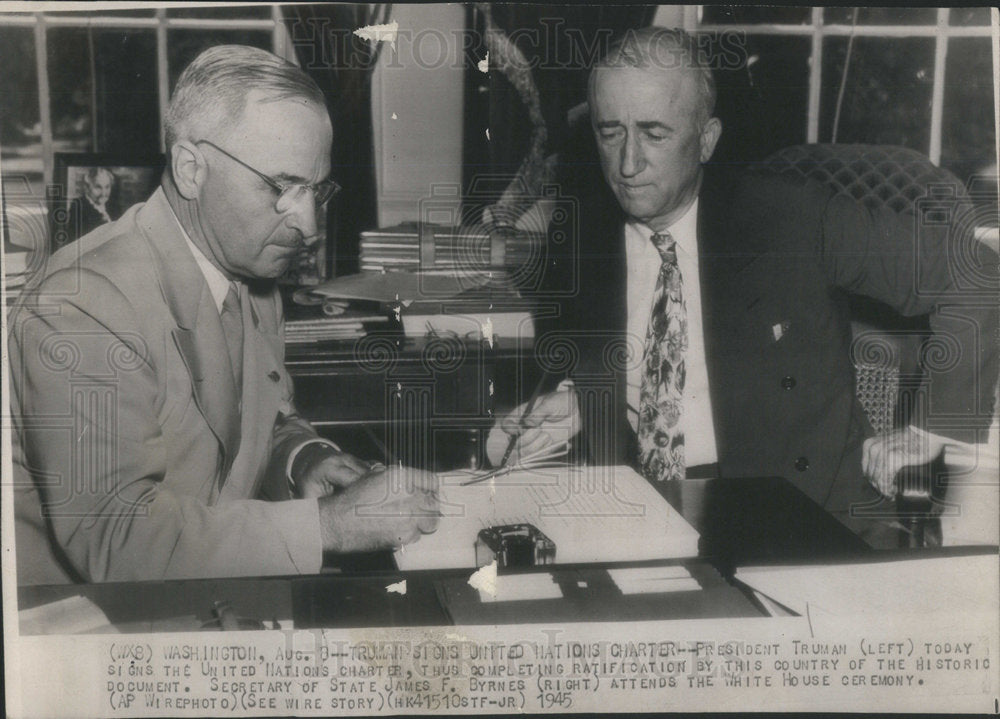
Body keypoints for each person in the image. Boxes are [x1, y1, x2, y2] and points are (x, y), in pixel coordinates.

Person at [490, 28, 997, 544]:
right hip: (643, 515)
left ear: (706, 139)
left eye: (655, 133)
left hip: (805, 515)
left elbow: (976, 273)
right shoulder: (582, 234)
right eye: (610, 132)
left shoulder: (791, 217)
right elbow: (635, 365)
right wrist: (584, 400)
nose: (628, 163)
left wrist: (932, 428)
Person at [10, 45, 439, 584]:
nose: (307, 226)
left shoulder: (250, 276)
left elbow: (252, 424)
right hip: (85, 625)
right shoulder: (82, 305)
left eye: (317, 191)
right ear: (191, 169)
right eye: (282, 188)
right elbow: (114, 538)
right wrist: (326, 527)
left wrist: (300, 458)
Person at [68, 167, 120, 241]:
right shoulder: (78, 207)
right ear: (87, 187)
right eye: (98, 187)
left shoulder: (113, 207)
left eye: (107, 187)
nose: (104, 193)